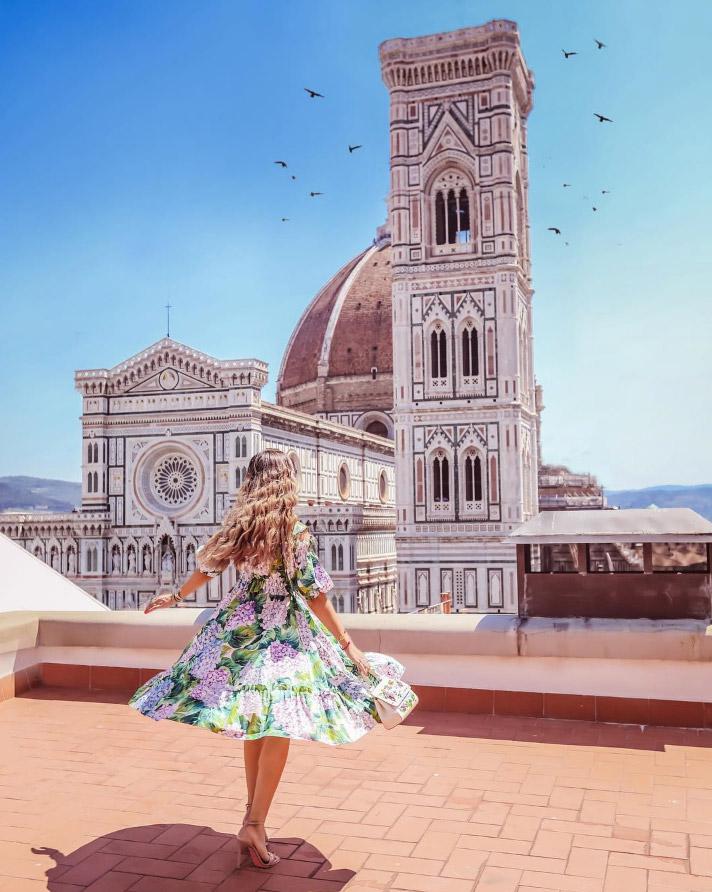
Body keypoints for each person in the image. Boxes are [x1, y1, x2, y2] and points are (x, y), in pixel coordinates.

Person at [127, 448, 406, 871]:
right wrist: (348, 645)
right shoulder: (294, 532)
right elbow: (314, 595)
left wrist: (178, 595)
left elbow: (209, 567)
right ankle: (255, 822)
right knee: (279, 726)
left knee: (259, 723)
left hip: (241, 631)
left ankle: (251, 817)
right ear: (286, 482)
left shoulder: (244, 527)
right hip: (284, 637)